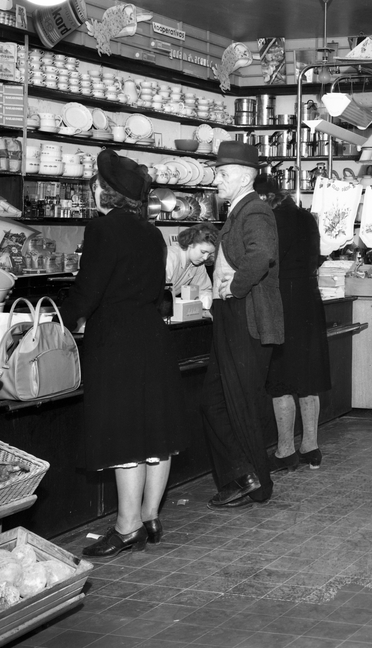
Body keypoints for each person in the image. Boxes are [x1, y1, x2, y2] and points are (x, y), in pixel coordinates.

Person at [59, 149, 187, 557]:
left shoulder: (102, 230)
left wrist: (56, 317)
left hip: (116, 342)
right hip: (152, 336)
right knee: (155, 433)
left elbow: (88, 291)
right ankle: (150, 516)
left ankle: (126, 526)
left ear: (105, 191)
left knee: (125, 434)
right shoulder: (152, 233)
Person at [201, 141, 284, 509]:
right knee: (215, 402)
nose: (216, 179)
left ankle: (257, 482)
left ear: (246, 176)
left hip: (244, 316)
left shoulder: (255, 211)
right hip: (232, 316)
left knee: (239, 404)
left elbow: (262, 254)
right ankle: (243, 476)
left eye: (223, 172)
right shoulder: (239, 210)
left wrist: (234, 288)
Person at [254, 174, 331, 471]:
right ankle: (311, 447)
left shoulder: (270, 221)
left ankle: (285, 451)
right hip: (309, 301)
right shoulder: (307, 218)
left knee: (281, 380)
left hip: (281, 304)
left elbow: (264, 264)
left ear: (264, 198)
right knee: (308, 379)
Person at [165, 222, 217, 306]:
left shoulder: (197, 264)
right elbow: (159, 292)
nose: (205, 258)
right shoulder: (170, 257)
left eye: (210, 254)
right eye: (203, 252)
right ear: (190, 243)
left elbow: (204, 290)